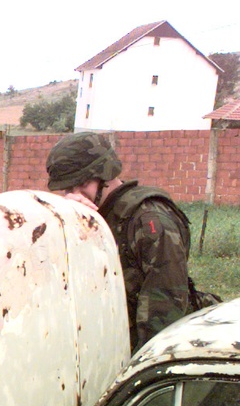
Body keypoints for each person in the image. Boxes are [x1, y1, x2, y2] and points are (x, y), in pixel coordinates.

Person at [46, 131, 193, 350]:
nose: (73, 193)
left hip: (144, 349)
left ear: (102, 176)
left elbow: (163, 313)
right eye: (67, 188)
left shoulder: (149, 221)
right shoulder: (89, 216)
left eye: (79, 184)